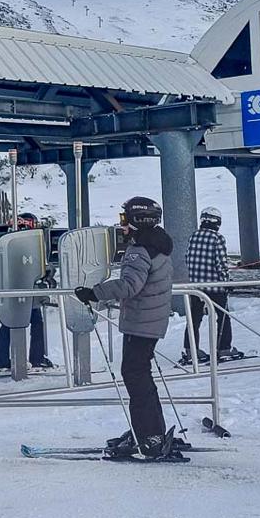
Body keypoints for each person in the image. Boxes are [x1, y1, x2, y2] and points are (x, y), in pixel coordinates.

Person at [74, 197, 181, 460]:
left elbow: (129, 286)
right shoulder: (159, 244)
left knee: (135, 375)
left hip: (141, 323)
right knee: (140, 374)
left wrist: (94, 292)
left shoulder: (139, 250)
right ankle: (148, 430)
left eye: (124, 219)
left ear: (137, 220)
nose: (121, 226)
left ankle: (150, 435)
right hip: (150, 321)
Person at [0, 212, 54, 375]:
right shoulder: (31, 244)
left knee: (15, 323)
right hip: (26, 291)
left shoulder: (9, 243)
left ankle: (3, 359)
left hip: (21, 291)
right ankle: (32, 358)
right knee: (22, 324)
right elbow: (41, 266)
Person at [181, 206, 242, 364]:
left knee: (194, 319)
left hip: (196, 287)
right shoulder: (217, 238)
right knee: (223, 317)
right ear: (217, 222)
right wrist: (226, 282)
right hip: (215, 286)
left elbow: (188, 259)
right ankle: (223, 349)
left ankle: (190, 350)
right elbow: (221, 264)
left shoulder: (193, 236)